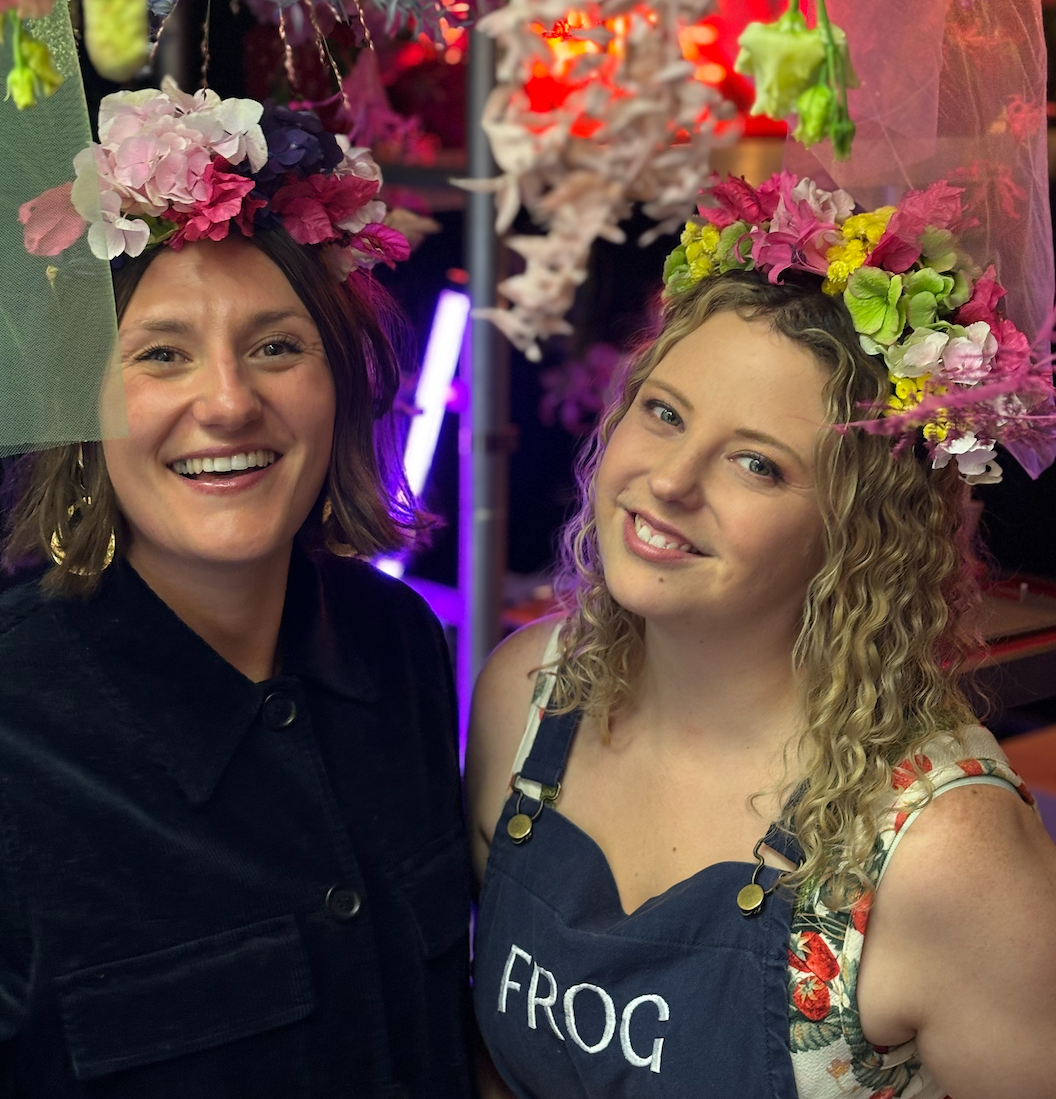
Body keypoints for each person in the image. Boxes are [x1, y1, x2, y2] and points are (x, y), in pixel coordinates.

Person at [467, 174, 1056, 1099]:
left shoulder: (945, 852)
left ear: (860, 535)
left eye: (757, 464)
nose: (671, 481)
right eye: (664, 413)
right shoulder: (528, 697)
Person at [0, 83, 474, 1098]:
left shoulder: (401, 644)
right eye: (162, 355)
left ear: (341, 384)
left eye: (275, 346)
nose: (227, 401)